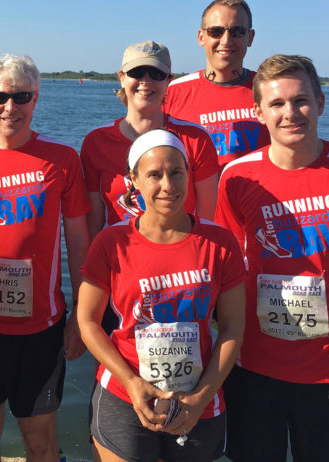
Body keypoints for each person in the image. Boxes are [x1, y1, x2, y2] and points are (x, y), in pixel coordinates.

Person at [215, 55, 329, 462]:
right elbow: (229, 273)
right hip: (253, 368)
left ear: (321, 103)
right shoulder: (237, 178)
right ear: (258, 112)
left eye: (301, 100)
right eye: (276, 104)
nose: (290, 113)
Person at [0, 54, 91, 462]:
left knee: (41, 439)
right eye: (0, 96)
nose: (11, 107)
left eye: (21, 96)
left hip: (40, 328)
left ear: (36, 98)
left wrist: (82, 315)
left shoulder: (61, 159)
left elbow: (78, 239)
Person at [77, 129, 245, 462]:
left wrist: (201, 397)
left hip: (198, 395)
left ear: (188, 174)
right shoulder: (112, 243)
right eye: (154, 174)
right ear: (134, 180)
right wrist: (130, 381)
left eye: (176, 172)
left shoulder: (220, 243)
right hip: (125, 393)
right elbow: (87, 321)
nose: (167, 185)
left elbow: (232, 328)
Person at [81, 40, 219, 239]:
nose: (146, 81)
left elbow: (206, 222)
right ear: (121, 78)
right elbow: (93, 225)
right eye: (137, 73)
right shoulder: (96, 142)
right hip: (120, 258)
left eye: (156, 74)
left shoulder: (196, 139)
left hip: (181, 258)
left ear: (168, 80)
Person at [164, 0, 270, 167]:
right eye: (216, 31)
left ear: (250, 37)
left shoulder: (270, 89)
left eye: (238, 32)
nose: (226, 40)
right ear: (201, 37)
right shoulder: (172, 93)